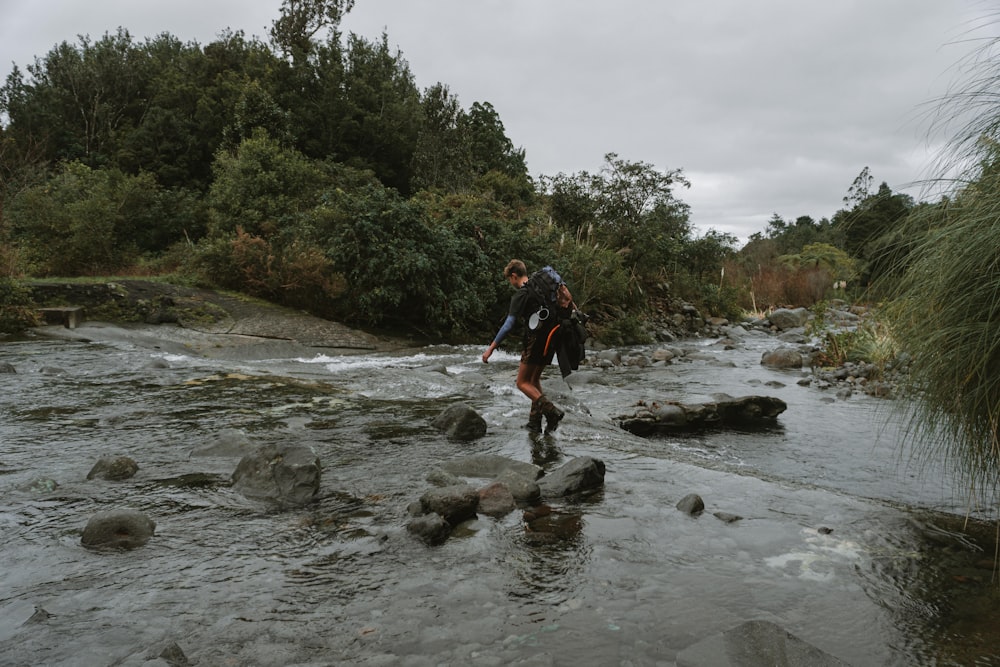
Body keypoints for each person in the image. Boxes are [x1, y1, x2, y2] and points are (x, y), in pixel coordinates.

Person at [482, 259, 565, 434]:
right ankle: (535, 422)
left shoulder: (522, 294)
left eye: (509, 279)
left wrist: (491, 348)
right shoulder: (541, 290)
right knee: (534, 381)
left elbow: (508, 325)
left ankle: (552, 412)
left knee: (521, 383)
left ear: (514, 276)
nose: (510, 283)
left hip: (535, 340)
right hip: (552, 337)